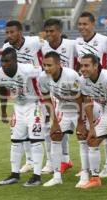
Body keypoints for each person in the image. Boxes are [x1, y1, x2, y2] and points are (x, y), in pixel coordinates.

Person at [0, 48, 46, 187]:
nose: (4, 64)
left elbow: (43, 72)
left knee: (35, 140)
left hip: (34, 105)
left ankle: (37, 176)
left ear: (15, 60)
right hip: (18, 107)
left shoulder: (28, 69)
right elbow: (2, 89)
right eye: (2, 61)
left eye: (7, 61)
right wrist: (4, 110)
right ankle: (14, 174)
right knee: (16, 141)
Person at [2, 20, 45, 173]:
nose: (9, 35)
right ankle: (30, 161)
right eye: (7, 32)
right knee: (23, 130)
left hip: (38, 92)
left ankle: (53, 163)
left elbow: (49, 54)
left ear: (20, 32)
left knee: (43, 129)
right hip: (20, 95)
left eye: (12, 32)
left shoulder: (34, 42)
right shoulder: (6, 48)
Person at [76, 12, 107, 178]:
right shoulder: (76, 43)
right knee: (94, 129)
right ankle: (88, 167)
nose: (82, 27)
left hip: (105, 88)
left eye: (85, 24)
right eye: (80, 24)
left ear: (93, 24)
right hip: (90, 91)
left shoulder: (104, 40)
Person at [39, 51, 85, 187]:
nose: (46, 68)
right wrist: (54, 122)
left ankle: (85, 173)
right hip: (63, 108)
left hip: (78, 108)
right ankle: (57, 176)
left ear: (59, 65)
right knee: (55, 136)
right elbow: (47, 99)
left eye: (49, 65)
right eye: (44, 65)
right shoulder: (43, 77)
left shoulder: (71, 75)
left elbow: (80, 99)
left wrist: (81, 122)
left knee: (83, 138)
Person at [78, 54, 107, 188]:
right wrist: (91, 127)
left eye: (86, 65)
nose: (83, 69)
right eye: (81, 66)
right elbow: (88, 103)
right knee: (91, 140)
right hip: (105, 113)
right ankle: (95, 179)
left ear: (96, 66)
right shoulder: (82, 80)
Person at [41, 18, 78, 174]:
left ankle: (64, 159)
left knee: (70, 128)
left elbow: (81, 60)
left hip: (71, 91)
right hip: (52, 91)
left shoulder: (71, 45)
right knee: (48, 127)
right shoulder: (43, 47)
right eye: (47, 31)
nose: (49, 34)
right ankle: (55, 161)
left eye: (52, 31)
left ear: (60, 31)